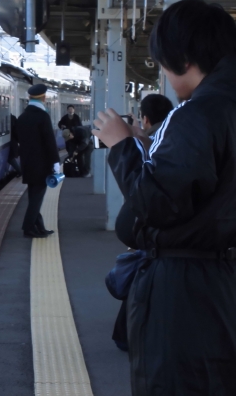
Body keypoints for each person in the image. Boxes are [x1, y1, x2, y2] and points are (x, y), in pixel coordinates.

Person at [93, 0, 236, 395]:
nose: (164, 74)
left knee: (176, 383)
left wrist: (121, 146)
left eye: (162, 63)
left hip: (186, 287)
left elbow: (159, 205)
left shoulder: (198, 113)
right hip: (220, 277)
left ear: (185, 57)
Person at [110, 94, 174, 353]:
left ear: (145, 119)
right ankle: (125, 335)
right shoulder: (171, 134)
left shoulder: (159, 141)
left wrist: (125, 144)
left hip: (150, 231)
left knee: (143, 281)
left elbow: (143, 191)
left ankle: (127, 336)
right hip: (150, 234)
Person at [16, 83, 60, 238]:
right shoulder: (43, 116)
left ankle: (39, 227)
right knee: (37, 199)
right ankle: (28, 228)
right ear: (43, 97)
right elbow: (50, 142)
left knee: (34, 197)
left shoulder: (22, 117)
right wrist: (56, 162)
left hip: (27, 164)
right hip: (41, 165)